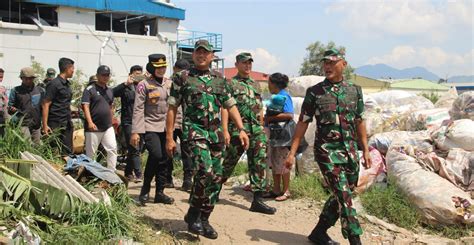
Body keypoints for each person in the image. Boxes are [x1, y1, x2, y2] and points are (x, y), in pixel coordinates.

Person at [284, 49, 371, 245]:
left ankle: (319, 232)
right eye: (325, 63)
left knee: (343, 194)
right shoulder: (314, 92)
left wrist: (365, 149)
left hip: (349, 152)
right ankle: (356, 241)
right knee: (344, 197)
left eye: (332, 62)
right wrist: (292, 152)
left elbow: (359, 121)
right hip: (327, 151)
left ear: (344, 65)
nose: (328, 67)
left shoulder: (354, 90)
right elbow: (303, 122)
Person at [165, 40, 249, 239]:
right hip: (194, 132)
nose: (201, 55)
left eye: (206, 53)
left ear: (212, 56)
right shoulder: (182, 78)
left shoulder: (220, 79)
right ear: (193, 55)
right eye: (198, 52)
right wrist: (169, 137)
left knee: (217, 177)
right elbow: (172, 108)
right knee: (205, 171)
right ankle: (193, 213)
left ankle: (204, 218)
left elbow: (230, 105)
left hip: (215, 134)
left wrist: (241, 129)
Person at [221, 52, 276, 214]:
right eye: (244, 63)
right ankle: (213, 189)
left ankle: (257, 200)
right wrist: (225, 130)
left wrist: (261, 125)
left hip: (256, 130)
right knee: (228, 162)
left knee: (258, 163)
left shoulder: (255, 84)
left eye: (250, 63)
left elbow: (259, 106)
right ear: (237, 65)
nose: (248, 66)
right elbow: (225, 107)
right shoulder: (230, 84)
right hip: (238, 129)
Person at [130, 54, 174, 205]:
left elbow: (175, 107)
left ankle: (160, 192)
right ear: (152, 68)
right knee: (155, 155)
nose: (161, 70)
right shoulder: (144, 84)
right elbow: (138, 109)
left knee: (165, 158)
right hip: (150, 126)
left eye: (163, 67)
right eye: (158, 67)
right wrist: (136, 131)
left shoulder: (170, 83)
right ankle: (146, 188)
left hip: (167, 127)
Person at [264, 72, 294, 202]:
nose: (268, 86)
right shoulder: (276, 97)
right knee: (274, 162)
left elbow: (289, 114)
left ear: (274, 84)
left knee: (283, 163)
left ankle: (286, 191)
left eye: (269, 83)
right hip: (275, 135)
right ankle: (276, 190)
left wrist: (270, 118)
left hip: (283, 135)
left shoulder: (284, 96)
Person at [81, 65, 117, 170]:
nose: (105, 77)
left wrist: (112, 120)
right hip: (94, 127)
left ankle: (112, 173)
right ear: (97, 75)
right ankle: (89, 176)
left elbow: (110, 106)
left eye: (107, 75)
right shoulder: (90, 89)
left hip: (107, 126)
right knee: (91, 154)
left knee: (112, 149)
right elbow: (85, 106)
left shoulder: (109, 91)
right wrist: (90, 122)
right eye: (103, 75)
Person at [113, 65, 144, 182]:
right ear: (130, 75)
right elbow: (112, 93)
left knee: (138, 148)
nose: (138, 77)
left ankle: (128, 171)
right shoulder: (125, 87)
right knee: (134, 147)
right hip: (128, 121)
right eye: (136, 74)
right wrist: (126, 83)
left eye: (140, 74)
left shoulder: (144, 86)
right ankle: (139, 174)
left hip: (141, 121)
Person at [166, 59, 193, 191]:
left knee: (173, 150)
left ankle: (173, 179)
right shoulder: (189, 80)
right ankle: (184, 180)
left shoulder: (169, 81)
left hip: (175, 122)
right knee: (184, 152)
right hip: (181, 122)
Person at [42, 57, 75, 155]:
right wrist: (45, 125)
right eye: (73, 68)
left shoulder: (67, 84)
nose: (73, 71)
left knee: (67, 151)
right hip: (55, 123)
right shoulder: (54, 84)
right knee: (53, 152)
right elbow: (45, 104)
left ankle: (68, 169)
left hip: (66, 122)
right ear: (67, 68)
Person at [8, 67, 44, 144]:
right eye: (26, 79)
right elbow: (10, 107)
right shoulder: (15, 91)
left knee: (37, 147)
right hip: (23, 124)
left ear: (33, 78)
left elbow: (44, 108)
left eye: (30, 78)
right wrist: (12, 109)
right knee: (28, 145)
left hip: (36, 125)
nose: (28, 81)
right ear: (21, 78)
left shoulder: (40, 91)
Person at [0, 68, 7, 137]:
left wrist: (6, 117)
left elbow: (5, 104)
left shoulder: (3, 89)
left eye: (2, 77)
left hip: (1, 116)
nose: (1, 79)